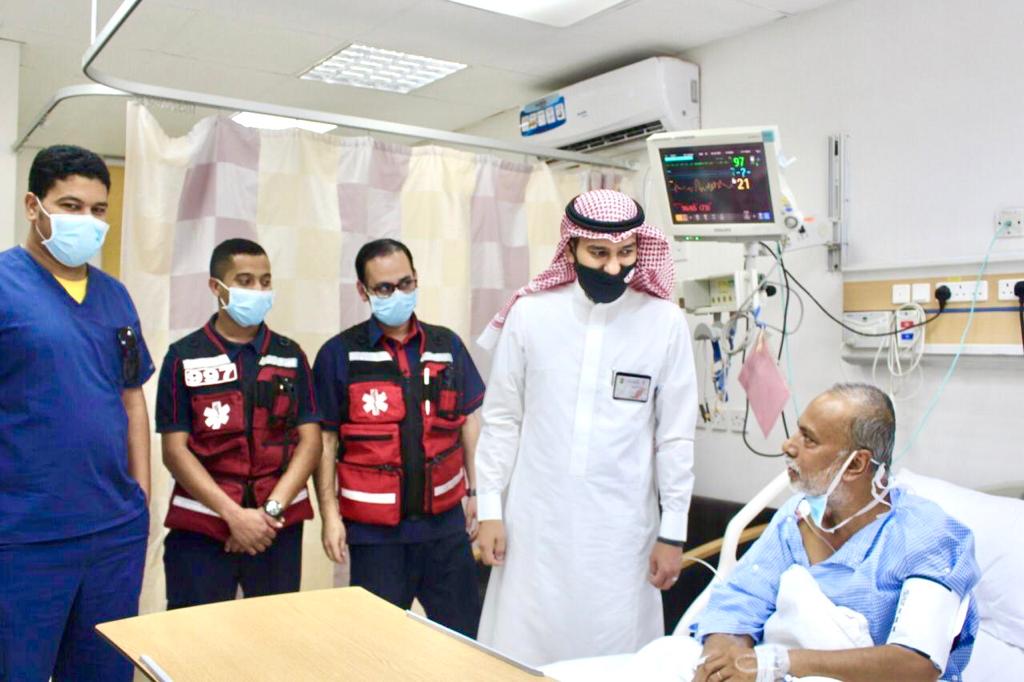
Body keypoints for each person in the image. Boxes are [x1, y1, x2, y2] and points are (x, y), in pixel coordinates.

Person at [474, 188, 698, 666]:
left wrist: (674, 532)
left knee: (614, 657)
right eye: (599, 253)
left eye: (626, 253)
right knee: (523, 652)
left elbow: (675, 437)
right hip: (535, 525)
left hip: (621, 533)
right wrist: (490, 509)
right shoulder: (531, 314)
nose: (614, 267)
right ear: (572, 247)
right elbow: (502, 419)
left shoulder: (664, 322)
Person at [691, 383, 979, 682]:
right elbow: (740, 600)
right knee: (668, 655)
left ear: (856, 464)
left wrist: (775, 662)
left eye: (808, 439)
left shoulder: (928, 536)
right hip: (779, 673)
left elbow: (916, 664)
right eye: (797, 431)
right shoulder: (795, 518)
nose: (788, 446)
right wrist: (718, 664)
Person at [0, 145, 155, 681]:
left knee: (104, 673)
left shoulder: (115, 297)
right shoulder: (5, 286)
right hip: (25, 536)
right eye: (70, 206)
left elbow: (131, 397)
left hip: (114, 532)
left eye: (97, 209)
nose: (86, 221)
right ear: (33, 206)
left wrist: (141, 497)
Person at [313, 238, 485, 637]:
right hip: (375, 537)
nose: (398, 294)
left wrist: (477, 492)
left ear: (416, 279)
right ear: (363, 291)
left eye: (405, 284)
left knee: (465, 641)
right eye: (385, 288)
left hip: (445, 528)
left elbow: (468, 422)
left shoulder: (446, 346)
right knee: (379, 646)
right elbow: (325, 441)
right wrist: (330, 516)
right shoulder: (339, 354)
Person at [155, 238, 321, 608]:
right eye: (245, 281)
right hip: (203, 529)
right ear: (216, 287)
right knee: (195, 636)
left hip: (275, 528)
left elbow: (310, 443)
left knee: (273, 633)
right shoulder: (183, 356)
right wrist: (233, 517)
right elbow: (174, 451)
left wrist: (267, 515)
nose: (258, 290)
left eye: (265, 281)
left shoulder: (290, 355)